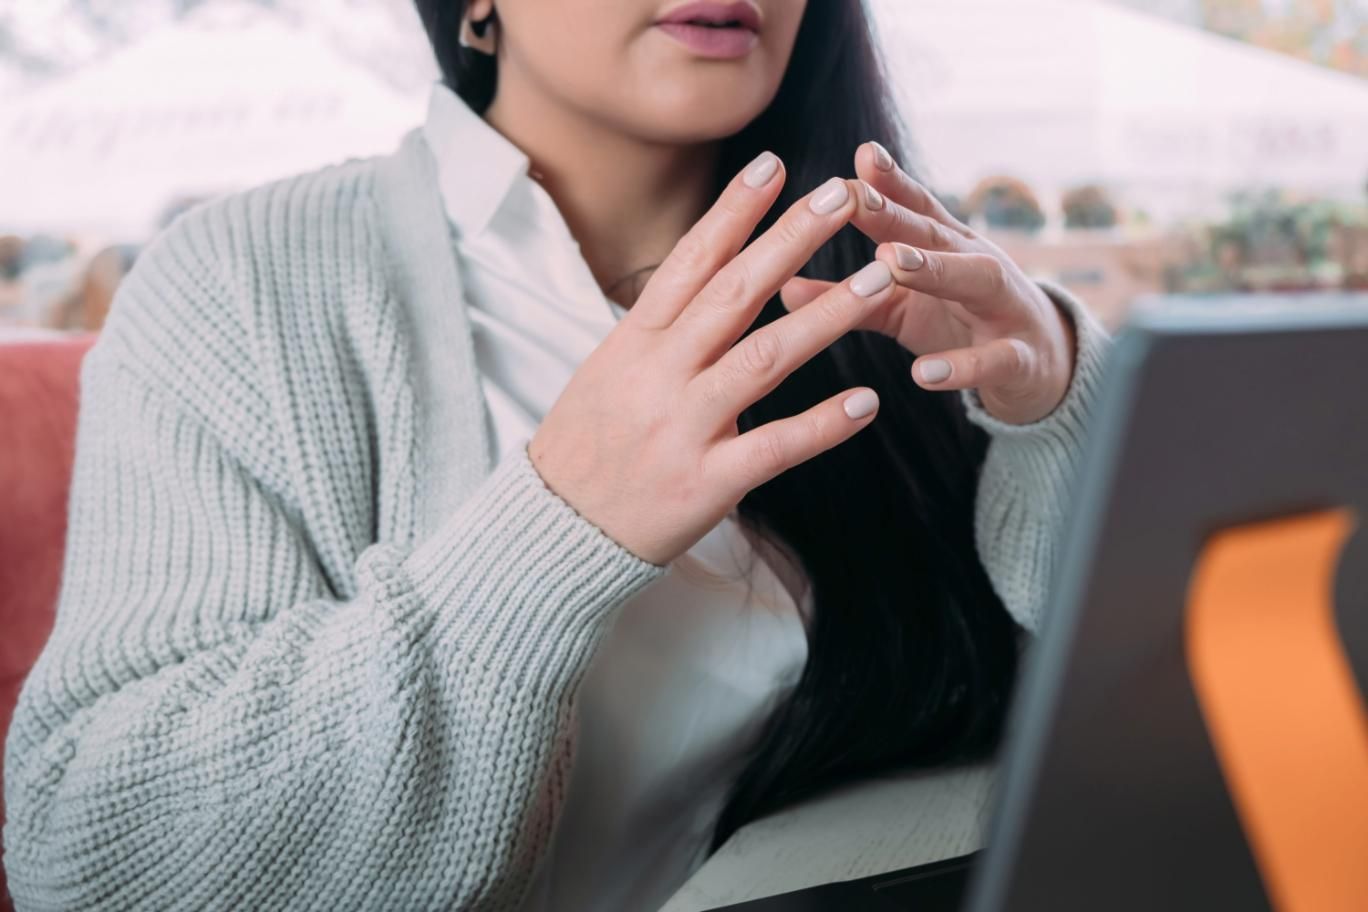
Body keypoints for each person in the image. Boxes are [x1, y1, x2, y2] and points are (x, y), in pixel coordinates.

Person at [2, 0, 1112, 909]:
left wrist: (1065, 413)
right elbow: (91, 859)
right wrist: (559, 526)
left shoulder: (898, 272)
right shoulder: (245, 283)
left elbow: (1152, 741)